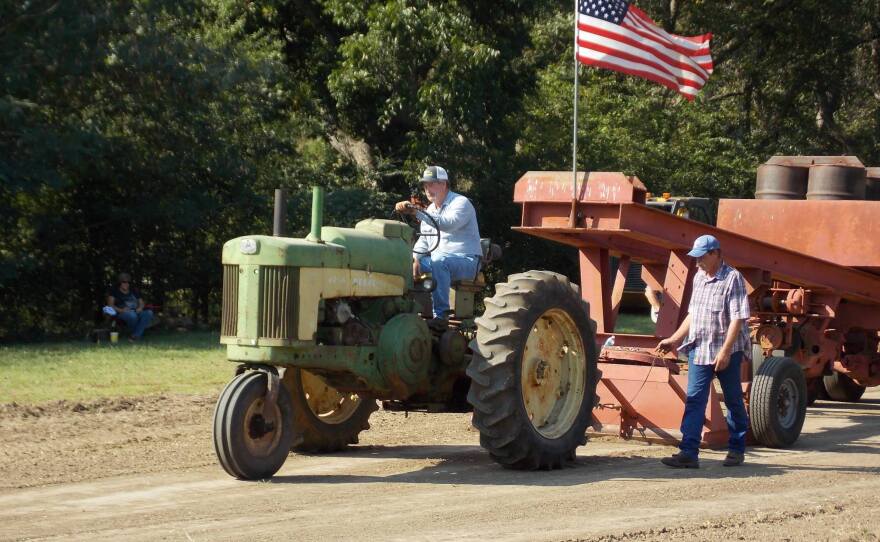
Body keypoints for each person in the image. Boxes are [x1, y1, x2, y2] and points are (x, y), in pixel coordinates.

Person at [655, 234, 751, 468]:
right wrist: (674, 339)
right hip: (699, 348)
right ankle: (688, 452)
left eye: (701, 257)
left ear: (715, 253)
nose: (697, 262)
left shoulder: (733, 278)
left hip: (725, 351)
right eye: (695, 258)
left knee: (733, 399)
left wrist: (726, 351)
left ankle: (737, 450)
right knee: (695, 400)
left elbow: (738, 318)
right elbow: (693, 314)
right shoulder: (699, 277)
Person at [394, 165, 482, 326]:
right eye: (425, 185)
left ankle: (441, 316)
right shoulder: (430, 209)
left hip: (467, 261)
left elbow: (447, 224)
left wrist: (416, 212)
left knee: (439, 261)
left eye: (432, 184)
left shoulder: (461, 203)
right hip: (439, 260)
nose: (427, 188)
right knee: (401, 262)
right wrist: (415, 259)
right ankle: (403, 310)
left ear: (444, 184)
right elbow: (425, 240)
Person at [107, 272, 154, 341]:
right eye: (124, 282)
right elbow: (110, 305)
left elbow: (141, 303)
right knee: (132, 316)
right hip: (122, 312)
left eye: (128, 282)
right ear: (120, 283)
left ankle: (135, 335)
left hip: (135, 311)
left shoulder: (134, 290)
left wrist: (140, 308)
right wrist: (122, 310)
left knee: (149, 313)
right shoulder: (114, 291)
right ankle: (136, 334)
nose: (126, 284)